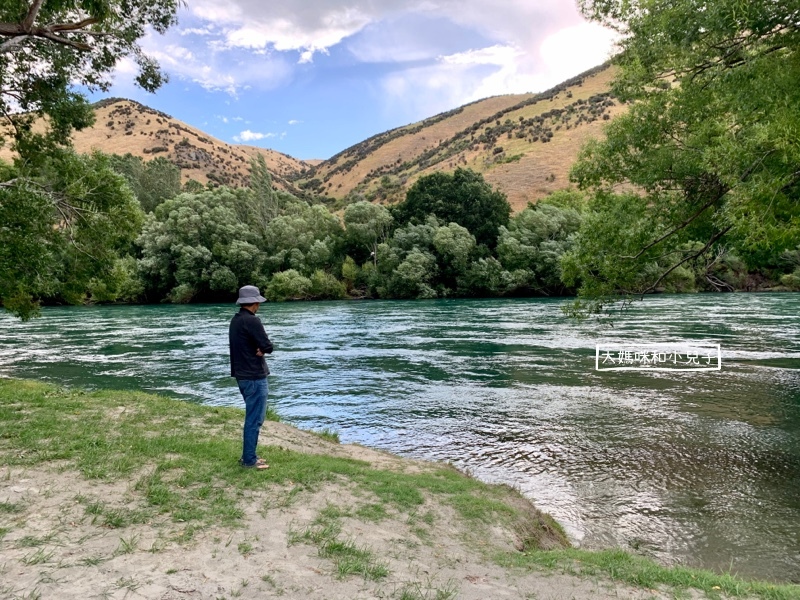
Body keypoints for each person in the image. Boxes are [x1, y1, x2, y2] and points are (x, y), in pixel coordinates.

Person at [229, 285, 273, 469]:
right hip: (254, 376)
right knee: (254, 419)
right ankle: (249, 459)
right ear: (255, 303)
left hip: (241, 375)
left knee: (252, 417)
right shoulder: (253, 321)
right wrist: (263, 349)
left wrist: (260, 348)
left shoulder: (235, 320)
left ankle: (249, 456)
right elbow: (268, 346)